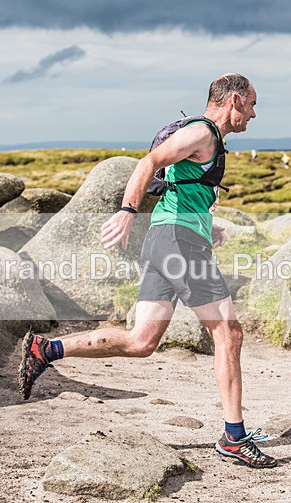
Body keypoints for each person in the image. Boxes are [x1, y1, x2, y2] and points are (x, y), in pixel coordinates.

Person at [17, 73, 277, 469]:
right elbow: (150, 161)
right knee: (229, 332)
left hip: (168, 239)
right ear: (235, 100)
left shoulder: (205, 138)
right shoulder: (202, 133)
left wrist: (208, 226)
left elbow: (180, 187)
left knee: (141, 341)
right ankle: (234, 438)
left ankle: (46, 349)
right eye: (253, 104)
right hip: (178, 243)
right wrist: (126, 210)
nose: (255, 114)